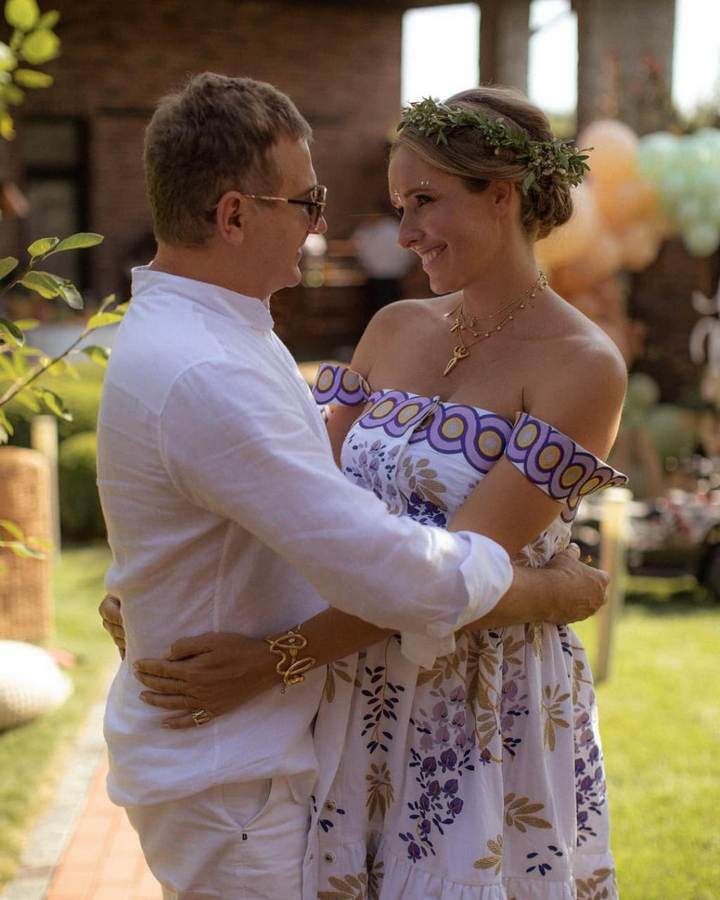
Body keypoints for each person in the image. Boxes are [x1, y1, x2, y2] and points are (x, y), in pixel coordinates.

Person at [96, 73, 609, 900]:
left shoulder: (582, 365)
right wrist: (161, 585)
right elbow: (320, 512)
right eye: (398, 206)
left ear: (502, 195)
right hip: (338, 703)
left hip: (468, 710)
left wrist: (274, 659)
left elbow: (434, 563)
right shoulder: (391, 327)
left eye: (424, 202)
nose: (402, 233)